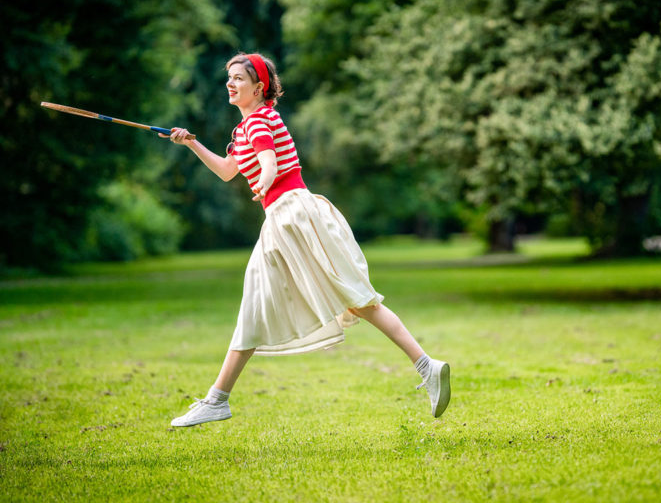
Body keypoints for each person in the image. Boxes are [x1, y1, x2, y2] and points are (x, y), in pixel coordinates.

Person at [164, 53, 450, 427]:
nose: (230, 84)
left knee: (348, 298)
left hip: (290, 214)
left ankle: (218, 400)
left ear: (259, 87)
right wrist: (191, 143)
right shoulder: (246, 128)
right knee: (350, 299)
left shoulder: (260, 121)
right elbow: (226, 170)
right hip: (291, 215)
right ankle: (427, 366)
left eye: (238, 79)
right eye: (228, 78)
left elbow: (268, 162)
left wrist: (266, 180)